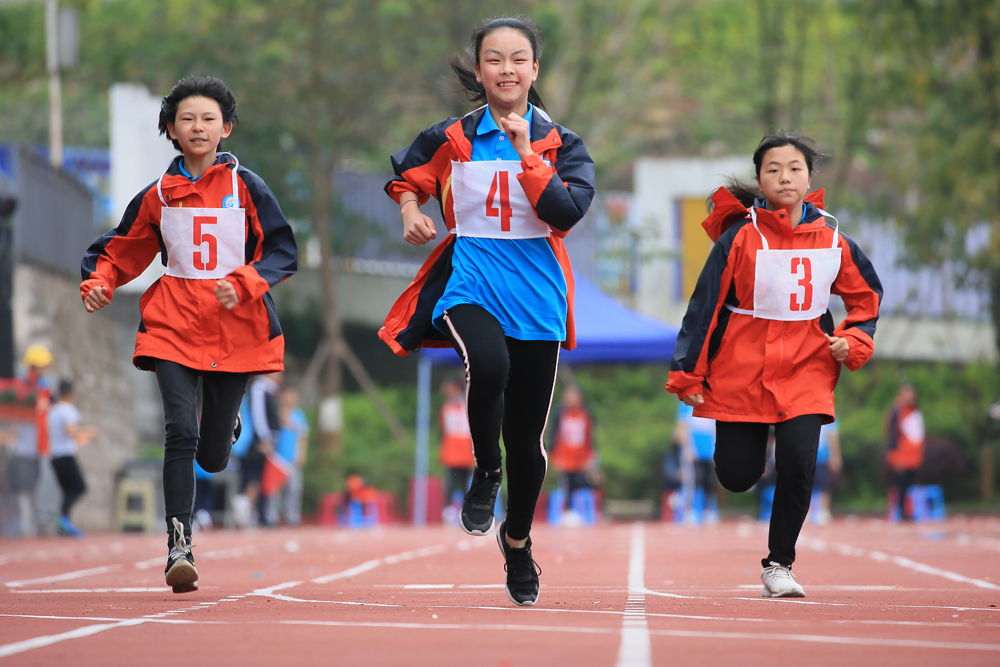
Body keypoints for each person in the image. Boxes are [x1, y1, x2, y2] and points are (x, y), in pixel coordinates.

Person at [379, 16, 595, 606]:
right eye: (494, 59)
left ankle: (518, 542)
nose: (506, 69)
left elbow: (565, 213)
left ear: (534, 70)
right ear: (479, 71)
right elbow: (406, 176)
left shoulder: (563, 144)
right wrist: (409, 212)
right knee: (488, 367)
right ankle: (484, 473)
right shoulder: (453, 136)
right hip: (471, 282)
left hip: (539, 297)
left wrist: (528, 153)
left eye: (517, 58)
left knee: (528, 443)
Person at [80, 75, 297, 592]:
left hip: (237, 326)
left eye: (208, 119)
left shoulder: (248, 187)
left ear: (226, 127)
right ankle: (180, 543)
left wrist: (243, 282)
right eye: (186, 119)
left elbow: (283, 251)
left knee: (213, 456)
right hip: (173, 323)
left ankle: (228, 424)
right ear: (171, 131)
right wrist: (100, 281)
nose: (198, 127)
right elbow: (121, 247)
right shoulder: (158, 194)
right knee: (180, 428)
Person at [666, 134, 882, 598]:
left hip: (807, 367)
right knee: (737, 475)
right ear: (760, 179)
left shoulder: (831, 236)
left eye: (795, 168)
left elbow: (866, 296)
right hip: (741, 373)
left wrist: (854, 338)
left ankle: (779, 563)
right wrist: (689, 374)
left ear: (809, 178)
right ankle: (753, 446)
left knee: (800, 462)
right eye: (773, 169)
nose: (785, 176)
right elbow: (705, 308)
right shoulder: (740, 237)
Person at [5, 345, 53, 537]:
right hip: (22, 445)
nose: (46, 369)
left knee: (33, 485)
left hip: (37, 445)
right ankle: (24, 525)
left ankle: (31, 524)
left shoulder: (42, 386)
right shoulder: (22, 388)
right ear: (35, 366)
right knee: (23, 487)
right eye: (43, 365)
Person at [47, 379, 98, 537]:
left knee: (67, 490)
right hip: (65, 455)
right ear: (71, 394)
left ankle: (64, 523)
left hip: (54, 456)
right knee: (79, 487)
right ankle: (62, 516)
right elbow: (70, 431)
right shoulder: (68, 409)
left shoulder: (52, 411)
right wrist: (88, 432)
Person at [235, 371, 283, 527]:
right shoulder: (260, 388)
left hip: (261, 441)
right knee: (254, 476)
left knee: (259, 476)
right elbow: (259, 415)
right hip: (256, 443)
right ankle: (243, 503)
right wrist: (265, 438)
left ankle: (254, 512)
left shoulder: (269, 390)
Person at [549, 385, 597, 520]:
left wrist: (591, 457)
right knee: (566, 485)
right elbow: (553, 434)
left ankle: (586, 513)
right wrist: (554, 455)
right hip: (564, 456)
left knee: (583, 484)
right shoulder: (560, 413)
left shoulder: (586, 413)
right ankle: (568, 512)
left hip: (581, 457)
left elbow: (590, 437)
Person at [265, 384, 309, 527]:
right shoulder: (275, 412)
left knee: (294, 489)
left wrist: (302, 453)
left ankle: (292, 517)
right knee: (273, 490)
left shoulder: (299, 415)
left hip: (292, 458)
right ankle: (271, 517)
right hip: (276, 458)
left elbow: (303, 436)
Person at [437, 377, 475, 520]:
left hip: (465, 447)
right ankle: (448, 510)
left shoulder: (466, 404)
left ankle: (466, 510)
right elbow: (441, 427)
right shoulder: (445, 406)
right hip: (451, 447)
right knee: (450, 480)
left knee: (465, 480)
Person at [674, 399, 718, 524]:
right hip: (694, 452)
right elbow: (682, 426)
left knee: (709, 482)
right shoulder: (687, 404)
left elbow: (715, 428)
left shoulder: (713, 402)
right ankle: (693, 510)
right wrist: (687, 448)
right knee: (694, 482)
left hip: (709, 452)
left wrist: (715, 449)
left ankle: (709, 510)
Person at [885, 384, 924, 521]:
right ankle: (901, 511)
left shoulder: (914, 410)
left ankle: (908, 510)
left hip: (913, 455)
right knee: (901, 484)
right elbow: (891, 432)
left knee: (910, 484)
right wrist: (893, 454)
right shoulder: (896, 410)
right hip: (901, 454)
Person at [810, 417, 841, 524]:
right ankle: (809, 512)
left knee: (823, 483)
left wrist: (835, 456)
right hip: (807, 454)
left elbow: (832, 435)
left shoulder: (829, 412)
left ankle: (823, 511)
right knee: (807, 483)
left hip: (822, 455)